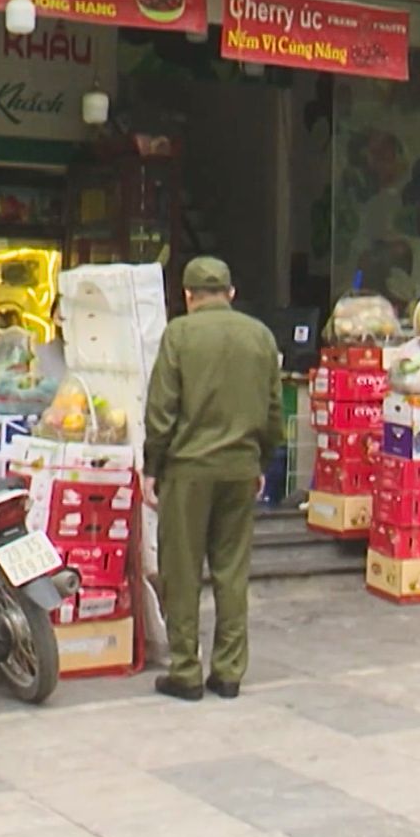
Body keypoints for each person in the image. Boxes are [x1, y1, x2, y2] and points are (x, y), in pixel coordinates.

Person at [143, 257, 284, 702]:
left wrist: (152, 466)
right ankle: (228, 671)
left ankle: (186, 670)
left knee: (182, 572)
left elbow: (161, 410)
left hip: (187, 471)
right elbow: (274, 411)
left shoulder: (179, 335)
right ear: (231, 293)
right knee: (232, 571)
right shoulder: (260, 336)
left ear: (187, 296)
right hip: (240, 469)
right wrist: (262, 461)